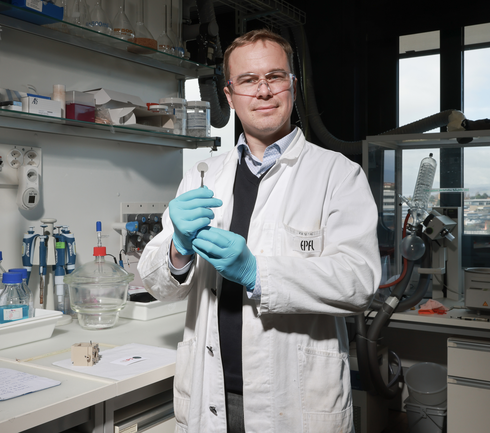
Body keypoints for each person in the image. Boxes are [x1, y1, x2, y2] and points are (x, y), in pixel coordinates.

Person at [138, 29, 381, 433]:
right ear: (230, 97)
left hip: (294, 399)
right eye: (249, 81)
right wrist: (178, 249)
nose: (264, 91)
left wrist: (257, 273)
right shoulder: (203, 178)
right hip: (210, 394)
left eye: (276, 77)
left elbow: (360, 282)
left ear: (293, 87)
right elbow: (158, 284)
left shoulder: (337, 174)